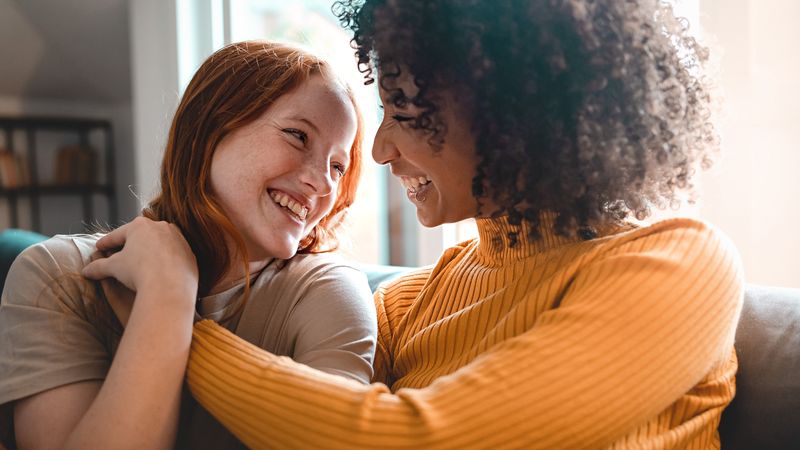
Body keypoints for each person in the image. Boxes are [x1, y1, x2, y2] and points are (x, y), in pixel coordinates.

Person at [83, 0, 743, 448]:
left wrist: (169, 308)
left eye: (403, 110)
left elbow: (415, 439)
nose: (378, 151)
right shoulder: (410, 302)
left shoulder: (680, 265)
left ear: (508, 109)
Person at [0, 41, 377, 449]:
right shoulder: (57, 276)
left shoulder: (328, 293)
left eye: (338, 166)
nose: (323, 183)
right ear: (209, 130)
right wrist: (169, 293)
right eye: (298, 136)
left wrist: (168, 298)